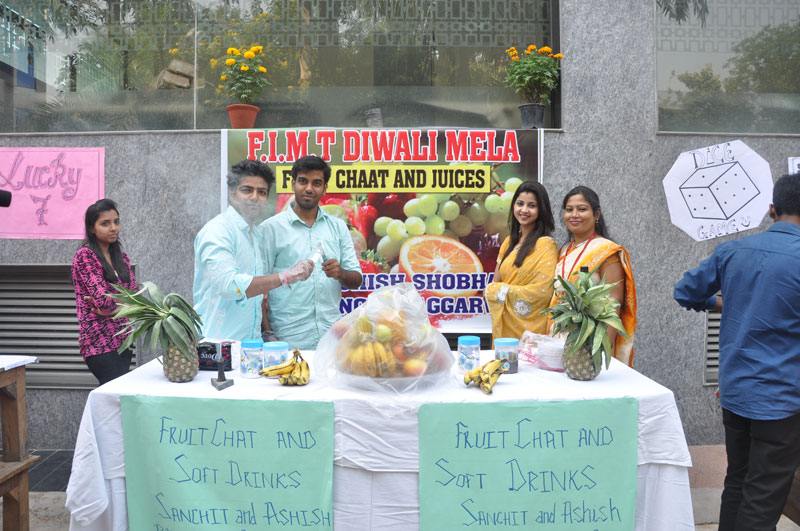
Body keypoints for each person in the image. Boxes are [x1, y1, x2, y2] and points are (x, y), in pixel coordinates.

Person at [674, 173, 800, 531]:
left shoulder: (733, 250)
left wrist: (719, 302)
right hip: (783, 399)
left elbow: (685, 291)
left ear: (772, 210)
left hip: (736, 391)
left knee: (738, 481)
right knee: (763, 496)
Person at [193, 159, 313, 341]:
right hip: (216, 346)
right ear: (232, 193)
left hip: (250, 346)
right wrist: (285, 277)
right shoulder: (218, 231)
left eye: (262, 192)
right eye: (247, 190)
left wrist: (267, 333)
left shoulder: (255, 236)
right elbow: (229, 286)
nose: (255, 197)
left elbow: (256, 293)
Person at [261, 155, 362, 350]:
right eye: (302, 181)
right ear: (293, 184)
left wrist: (340, 273)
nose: (309, 188)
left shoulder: (338, 227)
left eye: (316, 183)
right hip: (287, 339)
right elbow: (256, 288)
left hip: (331, 338)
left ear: (325, 188)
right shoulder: (270, 229)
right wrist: (268, 333)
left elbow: (356, 279)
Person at [550, 186, 637, 366]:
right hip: (557, 337)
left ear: (596, 214)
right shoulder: (564, 250)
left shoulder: (606, 251)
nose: (574, 215)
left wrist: (604, 352)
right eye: (569, 209)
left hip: (588, 343)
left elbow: (612, 305)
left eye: (582, 209)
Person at [72, 199, 138, 385]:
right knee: (114, 393)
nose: (113, 228)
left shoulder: (122, 258)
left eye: (116, 222)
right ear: (92, 228)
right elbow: (104, 302)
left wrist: (113, 310)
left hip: (124, 340)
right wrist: (122, 306)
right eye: (105, 223)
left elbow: (137, 298)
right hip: (99, 343)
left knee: (117, 396)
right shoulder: (85, 256)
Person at [485, 181, 558, 341]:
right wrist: (494, 289)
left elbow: (543, 292)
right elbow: (495, 282)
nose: (524, 210)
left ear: (541, 210)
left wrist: (496, 291)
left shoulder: (546, 245)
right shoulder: (508, 242)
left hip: (532, 333)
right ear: (513, 206)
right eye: (520, 204)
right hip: (505, 330)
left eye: (531, 205)